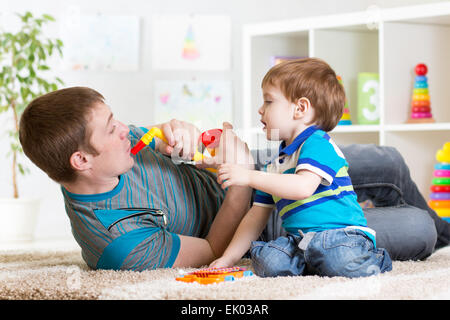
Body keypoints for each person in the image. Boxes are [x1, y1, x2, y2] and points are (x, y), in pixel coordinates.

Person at [19, 86, 448, 272]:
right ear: (81, 159)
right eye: (111, 128)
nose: (124, 129)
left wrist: (177, 129)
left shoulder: (117, 147)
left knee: (388, 161)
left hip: (253, 167)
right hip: (265, 220)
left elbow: (160, 134)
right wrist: (242, 180)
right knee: (416, 227)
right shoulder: (119, 245)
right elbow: (211, 251)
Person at [208, 58, 393, 278]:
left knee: (335, 255)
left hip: (341, 236)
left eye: (268, 101)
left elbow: (303, 186)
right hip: (300, 240)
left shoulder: (318, 143)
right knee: (268, 263)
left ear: (300, 108)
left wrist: (248, 176)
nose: (260, 110)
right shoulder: (274, 165)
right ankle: (312, 262)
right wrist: (228, 258)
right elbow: (255, 216)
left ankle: (375, 259)